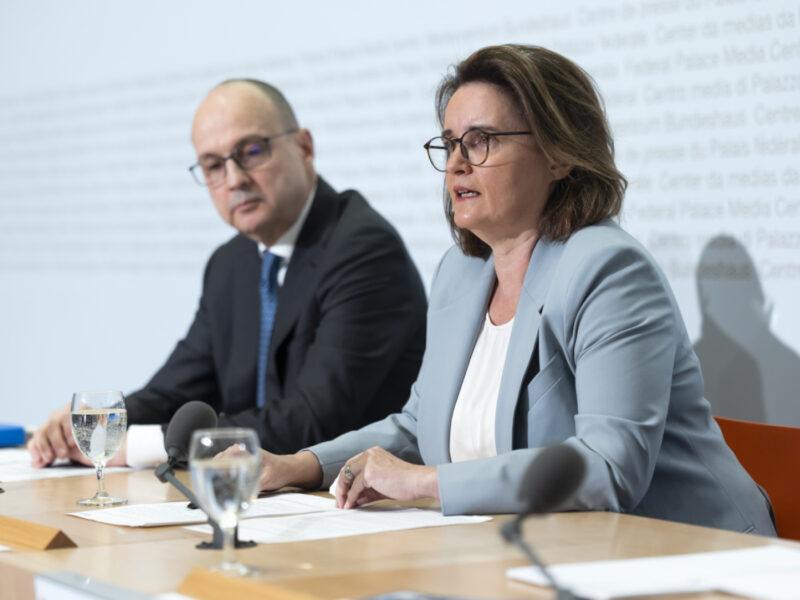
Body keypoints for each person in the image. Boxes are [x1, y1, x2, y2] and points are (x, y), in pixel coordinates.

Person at [251, 45, 776, 535]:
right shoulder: (460, 272)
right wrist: (300, 465)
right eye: (450, 143)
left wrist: (427, 483)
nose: (457, 163)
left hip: (692, 550)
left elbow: (609, 466)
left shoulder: (608, 270)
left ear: (558, 155)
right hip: (553, 548)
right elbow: (417, 426)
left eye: (481, 140)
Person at [28, 79, 427, 468]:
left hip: (349, 497)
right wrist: (98, 425)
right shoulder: (230, 263)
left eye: (251, 151)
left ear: (304, 147)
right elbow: (175, 390)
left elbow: (313, 419)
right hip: (256, 492)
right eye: (213, 165)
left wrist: (142, 446)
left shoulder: (363, 249)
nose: (234, 179)